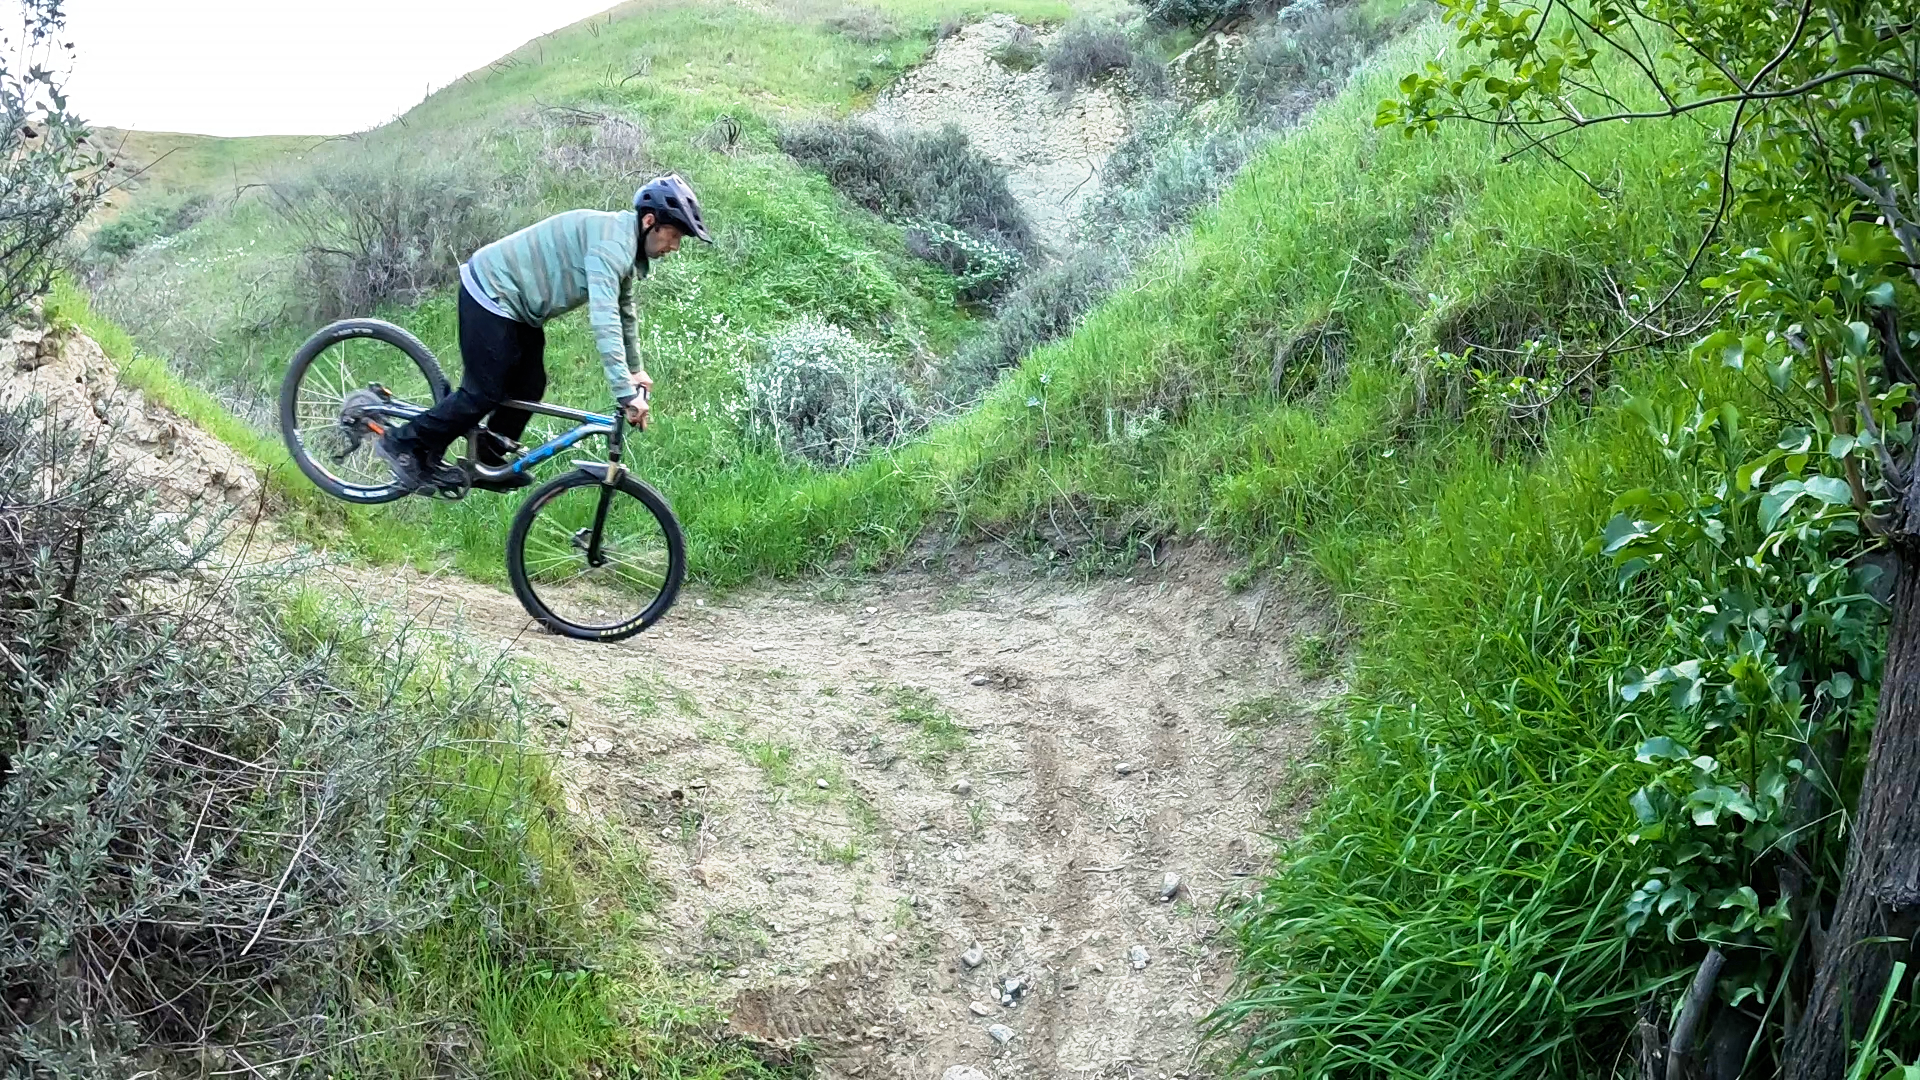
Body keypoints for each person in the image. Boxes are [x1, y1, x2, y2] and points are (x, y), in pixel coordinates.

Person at [376, 173, 712, 492]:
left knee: (530, 384)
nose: (676, 246)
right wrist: (625, 393)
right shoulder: (612, 245)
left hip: (519, 307)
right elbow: (605, 319)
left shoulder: (624, 243)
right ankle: (402, 443)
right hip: (492, 291)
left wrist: (635, 370)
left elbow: (625, 312)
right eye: (674, 234)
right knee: (483, 392)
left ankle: (487, 460)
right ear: (649, 221)